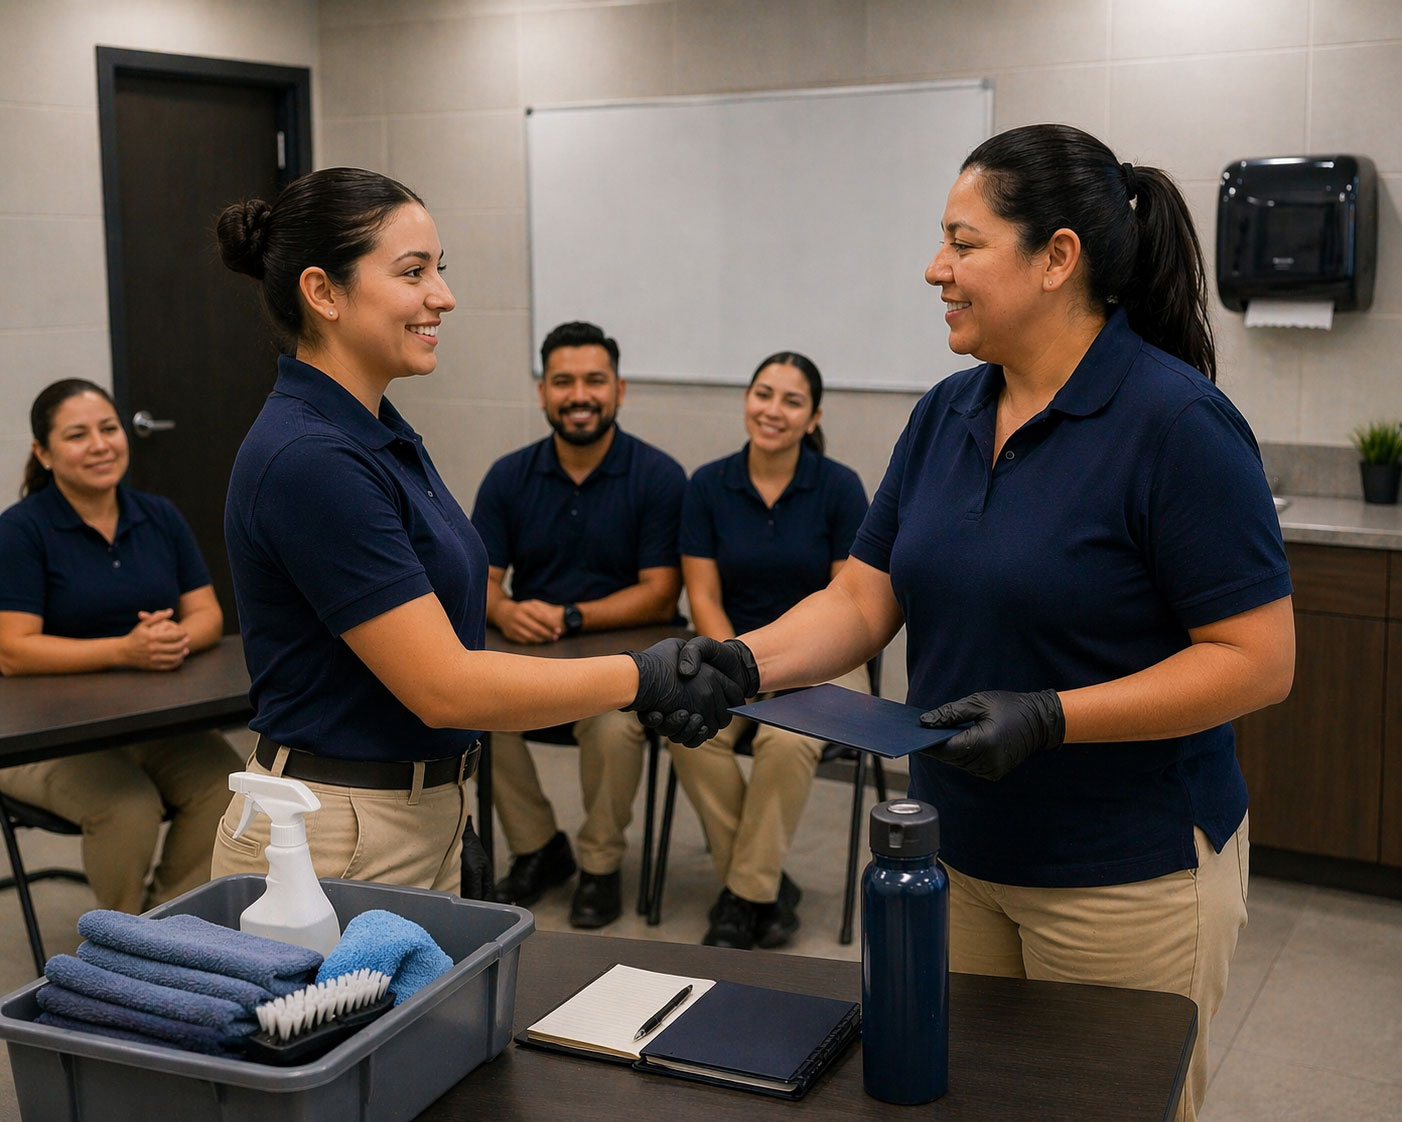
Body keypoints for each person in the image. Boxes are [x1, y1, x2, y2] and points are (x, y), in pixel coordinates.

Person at [665, 125, 1294, 1122]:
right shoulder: (947, 414)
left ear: (1056, 259)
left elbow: (1255, 661)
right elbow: (863, 600)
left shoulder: (1174, 424)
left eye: (961, 244)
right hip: (950, 858)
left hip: (1122, 872)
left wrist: (1051, 716)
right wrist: (741, 661)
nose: (934, 269)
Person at [209, 168, 736, 898]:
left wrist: (449, 803)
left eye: (440, 270)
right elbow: (444, 685)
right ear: (323, 292)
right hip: (336, 834)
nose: (443, 296)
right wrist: (641, 675)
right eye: (413, 272)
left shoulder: (376, 431)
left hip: (412, 809)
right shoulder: (311, 458)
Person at [471, 321, 686, 929]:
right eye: (563, 382)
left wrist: (570, 617)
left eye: (595, 380)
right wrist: (506, 610)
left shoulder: (659, 476)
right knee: (480, 711)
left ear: (620, 390)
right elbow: (479, 580)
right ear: (543, 393)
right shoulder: (508, 476)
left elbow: (660, 593)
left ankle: (599, 864)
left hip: (622, 668)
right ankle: (540, 848)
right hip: (533, 661)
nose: (579, 395)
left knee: (615, 730)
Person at [0, 379, 242, 913]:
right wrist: (124, 650)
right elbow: (13, 651)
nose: (101, 444)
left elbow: (207, 614)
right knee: (127, 806)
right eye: (77, 435)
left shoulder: (157, 514)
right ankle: (118, 945)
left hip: (146, 721)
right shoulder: (21, 531)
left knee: (232, 786)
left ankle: (163, 928)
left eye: (109, 428)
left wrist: (172, 637)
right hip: (47, 735)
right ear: (43, 452)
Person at [667, 351, 868, 949]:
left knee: (786, 739)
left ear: (813, 417)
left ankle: (743, 896)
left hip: (825, 662)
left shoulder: (839, 488)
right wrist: (744, 665)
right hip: (731, 658)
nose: (772, 410)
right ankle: (765, 887)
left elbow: (847, 602)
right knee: (688, 728)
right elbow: (702, 595)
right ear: (746, 399)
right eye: (763, 393)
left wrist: (789, 665)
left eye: (791, 400)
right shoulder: (708, 484)